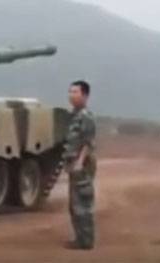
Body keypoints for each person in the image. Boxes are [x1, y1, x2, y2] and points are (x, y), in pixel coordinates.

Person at [63, 80, 97, 250]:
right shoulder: (75, 115)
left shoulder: (85, 116)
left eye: (75, 92)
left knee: (83, 204)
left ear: (84, 95)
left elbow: (88, 143)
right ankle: (80, 239)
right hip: (75, 164)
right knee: (75, 204)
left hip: (82, 165)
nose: (71, 95)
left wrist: (79, 162)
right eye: (70, 92)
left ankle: (86, 241)